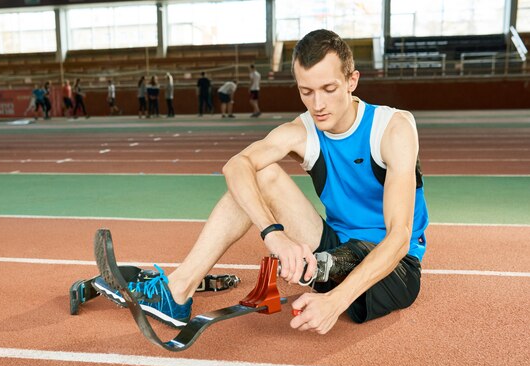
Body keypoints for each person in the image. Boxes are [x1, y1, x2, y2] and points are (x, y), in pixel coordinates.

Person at [99, 29, 429, 334]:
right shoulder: (302, 131)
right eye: (307, 92)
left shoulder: (392, 128)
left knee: (354, 255)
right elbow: (235, 165)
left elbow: (399, 237)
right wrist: (275, 236)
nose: (318, 104)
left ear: (352, 80)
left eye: (329, 90)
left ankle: (326, 276)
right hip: (335, 247)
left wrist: (335, 301)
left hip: (394, 268)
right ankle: (177, 292)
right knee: (258, 173)